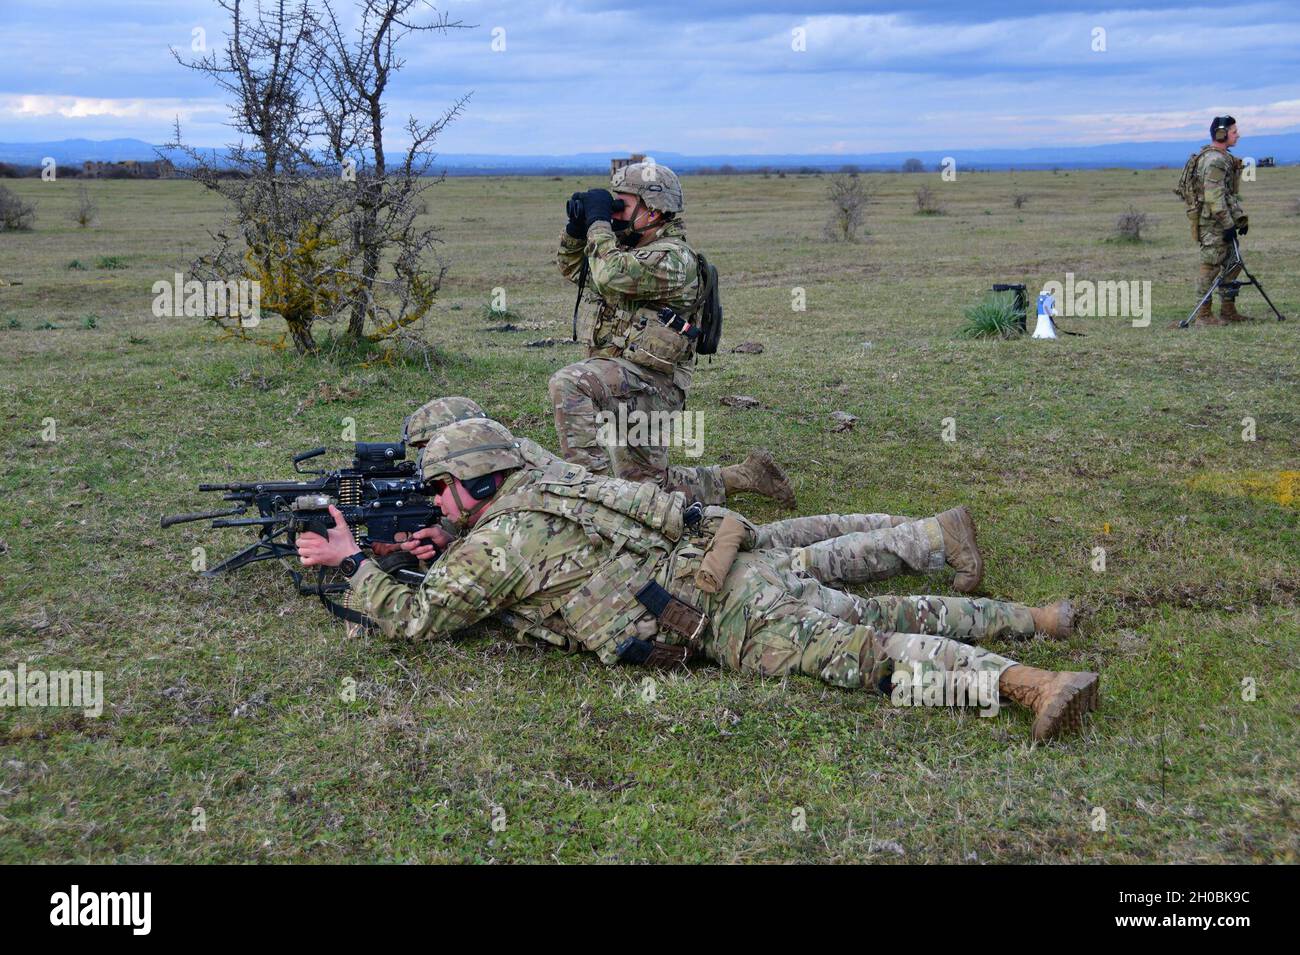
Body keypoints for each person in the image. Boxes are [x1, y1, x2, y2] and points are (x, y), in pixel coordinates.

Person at [297, 417, 1099, 741]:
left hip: (717, 618)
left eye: (441, 487)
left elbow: (419, 618)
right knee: (867, 605)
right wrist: (443, 535)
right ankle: (1035, 616)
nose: (435, 502)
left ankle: (1029, 681)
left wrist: (351, 565)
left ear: (475, 480)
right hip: (731, 569)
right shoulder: (548, 487)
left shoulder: (500, 543)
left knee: (870, 655)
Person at [551, 160, 795, 508]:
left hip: (654, 386)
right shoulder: (629, 251)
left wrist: (599, 223)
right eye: (612, 204)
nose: (615, 212)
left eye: (623, 204)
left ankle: (593, 500)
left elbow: (608, 274)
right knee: (649, 491)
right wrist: (577, 228)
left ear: (653, 212)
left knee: (570, 382)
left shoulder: (674, 259)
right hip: (625, 379)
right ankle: (746, 475)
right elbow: (576, 269)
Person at [1187, 116, 1253, 326]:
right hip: (1214, 223)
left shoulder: (1221, 157)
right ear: (1222, 134)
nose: (1238, 135)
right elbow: (1214, 197)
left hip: (1222, 220)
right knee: (1210, 266)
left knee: (1233, 263)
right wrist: (1227, 224)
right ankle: (1203, 315)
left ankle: (1228, 310)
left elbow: (1227, 194)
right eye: (1234, 132)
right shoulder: (1214, 160)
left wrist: (1238, 219)